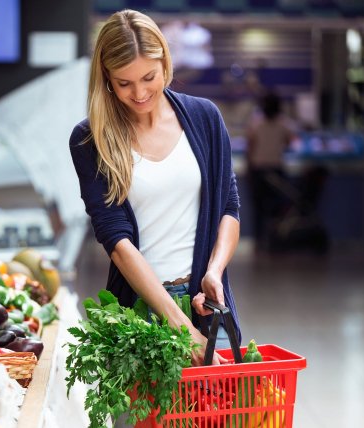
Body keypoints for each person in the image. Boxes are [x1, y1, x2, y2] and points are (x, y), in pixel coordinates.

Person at [69, 9, 241, 366]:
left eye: (149, 76)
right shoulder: (91, 139)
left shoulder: (204, 118)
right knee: (142, 422)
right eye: (124, 83)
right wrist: (177, 323)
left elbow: (229, 207)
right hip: (139, 311)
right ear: (106, 79)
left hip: (205, 305)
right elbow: (116, 240)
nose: (140, 92)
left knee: (215, 416)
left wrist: (214, 271)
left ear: (165, 61)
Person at [245, 92, 296, 251]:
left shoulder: (256, 123)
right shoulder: (284, 124)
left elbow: (250, 147)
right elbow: (290, 142)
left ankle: (259, 241)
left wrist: (249, 169)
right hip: (276, 170)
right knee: (276, 208)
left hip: (258, 170)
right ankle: (274, 241)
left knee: (259, 208)